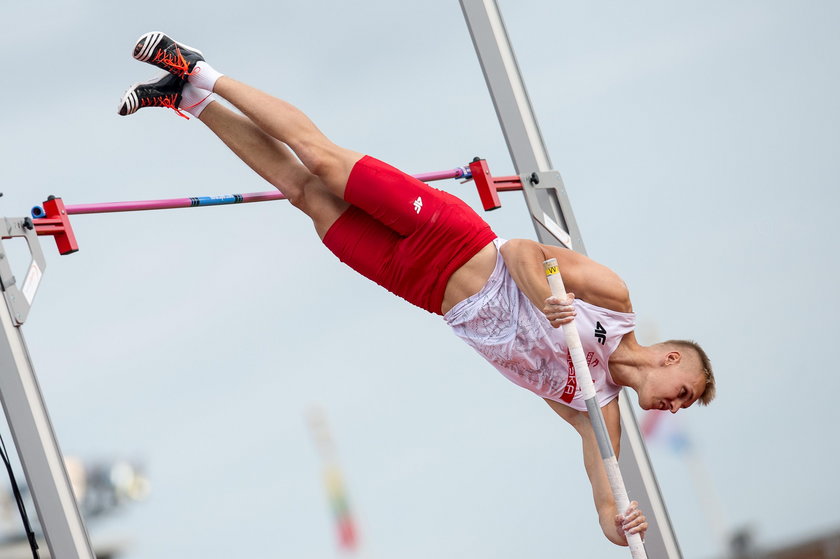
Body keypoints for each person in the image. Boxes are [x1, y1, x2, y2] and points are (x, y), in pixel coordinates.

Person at [118, 31, 716, 548]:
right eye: (684, 392)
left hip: (425, 289)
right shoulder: (613, 299)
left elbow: (604, 495)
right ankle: (201, 70)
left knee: (305, 196)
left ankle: (188, 102)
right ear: (671, 358)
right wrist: (548, 301)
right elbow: (522, 251)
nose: (675, 405)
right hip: (454, 238)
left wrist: (618, 524)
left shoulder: (598, 412)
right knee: (325, 163)